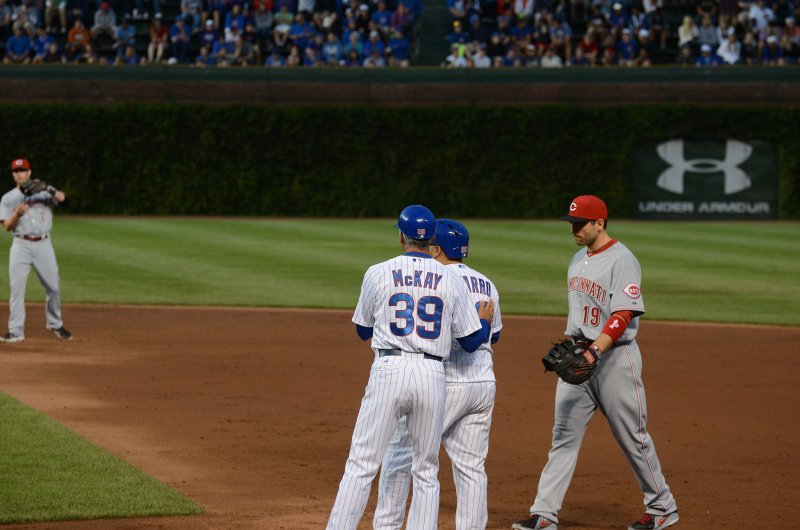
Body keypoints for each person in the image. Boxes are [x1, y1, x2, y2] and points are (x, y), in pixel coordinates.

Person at [512, 195, 678, 530]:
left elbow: (624, 312)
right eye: (572, 223)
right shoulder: (577, 259)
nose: (574, 229)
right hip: (578, 359)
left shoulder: (623, 259)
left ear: (600, 223)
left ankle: (662, 507)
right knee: (563, 437)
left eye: (580, 224)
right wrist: (577, 346)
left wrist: (596, 350)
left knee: (632, 436)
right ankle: (544, 514)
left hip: (614, 359)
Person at [326, 205, 494, 530]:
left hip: (389, 369)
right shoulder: (451, 279)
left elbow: (362, 331)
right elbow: (471, 341)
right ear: (431, 239)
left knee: (362, 463)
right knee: (426, 471)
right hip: (432, 375)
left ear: (402, 237)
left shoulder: (378, 271)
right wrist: (484, 322)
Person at [374, 218, 503, 530]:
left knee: (401, 454)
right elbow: (494, 336)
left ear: (435, 249)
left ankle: (388, 525)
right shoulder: (487, 283)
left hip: (447, 382)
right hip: (483, 384)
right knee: (471, 467)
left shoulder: (440, 280)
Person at [0, 159, 72, 343]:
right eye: (16, 171)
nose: (19, 174)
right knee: (16, 288)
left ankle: (55, 324)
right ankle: (16, 331)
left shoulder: (44, 192)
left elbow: (65, 201)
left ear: (29, 172)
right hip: (20, 245)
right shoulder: (8, 198)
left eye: (22, 170)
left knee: (53, 286)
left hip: (43, 244)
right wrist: (17, 214)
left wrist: (49, 188)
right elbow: (6, 226)